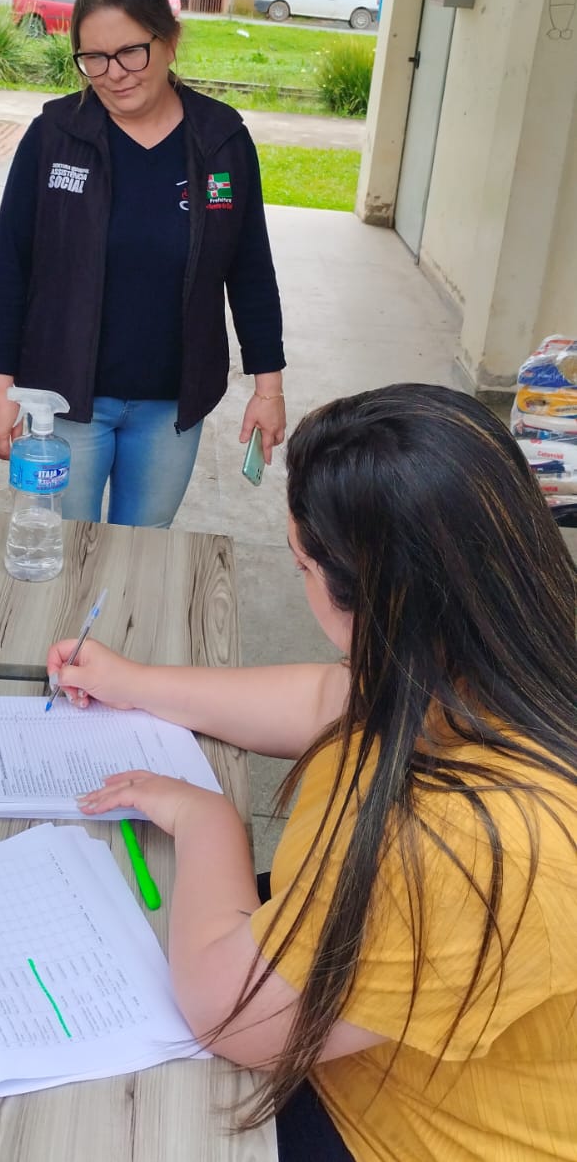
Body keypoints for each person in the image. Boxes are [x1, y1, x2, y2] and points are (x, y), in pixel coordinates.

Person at [48, 384, 577, 1161]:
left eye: (300, 562)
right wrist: (133, 682)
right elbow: (326, 697)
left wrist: (208, 820)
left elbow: (229, 1011)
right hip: (358, 1032)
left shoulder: (473, 840)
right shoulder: (496, 655)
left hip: (398, 1128)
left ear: (379, 599)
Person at [0, 0, 285, 528]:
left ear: (169, 41)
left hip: (170, 406)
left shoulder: (221, 141)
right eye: (93, 57)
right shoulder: (55, 137)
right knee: (65, 548)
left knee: (142, 553)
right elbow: (9, 267)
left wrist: (269, 388)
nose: (113, 72)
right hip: (66, 401)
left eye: (130, 52)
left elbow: (250, 270)